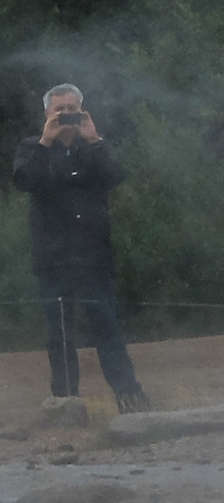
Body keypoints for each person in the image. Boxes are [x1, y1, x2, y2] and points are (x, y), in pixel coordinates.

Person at [10, 84, 147, 410]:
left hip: (94, 256)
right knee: (59, 334)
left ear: (82, 110)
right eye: (59, 109)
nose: (66, 114)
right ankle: (65, 404)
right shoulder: (31, 148)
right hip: (53, 259)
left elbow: (116, 176)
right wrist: (45, 142)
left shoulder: (94, 147)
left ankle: (129, 397)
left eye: (72, 108)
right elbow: (24, 180)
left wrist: (95, 139)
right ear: (46, 113)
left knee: (107, 327)